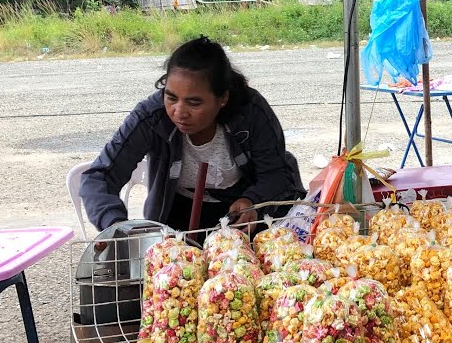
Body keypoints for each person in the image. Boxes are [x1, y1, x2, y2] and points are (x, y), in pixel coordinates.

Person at [81, 37, 306, 233]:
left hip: (240, 214)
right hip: (177, 214)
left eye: (194, 102)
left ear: (222, 99)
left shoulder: (250, 111)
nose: (179, 112)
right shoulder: (151, 117)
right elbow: (99, 177)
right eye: (171, 97)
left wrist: (252, 201)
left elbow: (276, 173)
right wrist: (115, 226)